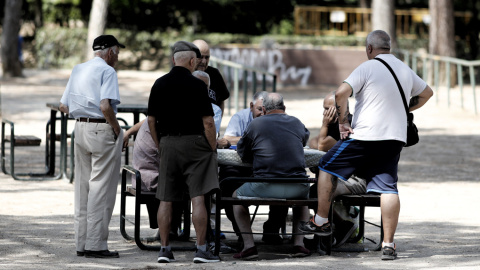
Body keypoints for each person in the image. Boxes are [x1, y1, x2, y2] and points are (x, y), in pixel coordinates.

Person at [299, 30, 434, 260]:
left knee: (326, 166)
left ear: (369, 48)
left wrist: (343, 123)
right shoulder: (404, 68)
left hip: (365, 136)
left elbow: (341, 93)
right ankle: (388, 245)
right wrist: (403, 109)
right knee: (388, 187)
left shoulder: (367, 67)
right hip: (394, 138)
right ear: (388, 47)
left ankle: (320, 221)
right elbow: (427, 93)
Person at [147, 40, 220, 263]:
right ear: (192, 61)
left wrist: (160, 143)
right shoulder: (198, 86)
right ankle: (200, 250)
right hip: (196, 144)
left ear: (172, 60)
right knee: (198, 197)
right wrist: (212, 146)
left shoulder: (159, 84)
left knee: (166, 199)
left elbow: (150, 120)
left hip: (168, 143)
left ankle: (165, 250)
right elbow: (208, 122)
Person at [59, 35, 125, 258]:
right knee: (101, 188)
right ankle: (96, 245)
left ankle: (81, 243)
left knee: (82, 187)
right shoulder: (108, 71)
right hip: (101, 129)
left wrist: (83, 113)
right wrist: (116, 128)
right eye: (117, 52)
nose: (117, 57)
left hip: (80, 128)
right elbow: (105, 105)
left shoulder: (78, 69)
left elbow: (63, 106)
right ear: (109, 52)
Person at [232, 92, 312, 260]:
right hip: (297, 186)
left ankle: (249, 246)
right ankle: (299, 244)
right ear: (284, 108)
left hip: (265, 186)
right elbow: (303, 141)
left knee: (235, 198)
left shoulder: (256, 124)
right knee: (303, 200)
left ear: (264, 109)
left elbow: (243, 153)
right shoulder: (297, 122)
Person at [219, 91, 289, 245]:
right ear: (251, 106)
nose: (263, 113)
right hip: (241, 168)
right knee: (227, 184)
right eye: (259, 109)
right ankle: (242, 233)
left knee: (285, 181)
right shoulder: (242, 117)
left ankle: (272, 230)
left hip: (268, 168)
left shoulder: (274, 120)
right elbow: (228, 139)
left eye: (266, 109)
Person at [307, 92, 367, 248]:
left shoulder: (350, 125)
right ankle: (331, 231)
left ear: (340, 108)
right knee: (314, 191)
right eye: (324, 109)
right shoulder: (336, 124)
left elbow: (320, 145)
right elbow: (313, 142)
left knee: (317, 193)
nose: (325, 113)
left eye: (328, 109)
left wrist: (324, 125)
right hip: (342, 177)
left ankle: (339, 229)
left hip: (357, 179)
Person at [192, 39, 230, 115]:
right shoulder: (184, 74)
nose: (204, 61)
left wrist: (218, 122)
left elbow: (221, 101)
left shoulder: (214, 74)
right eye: (200, 57)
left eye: (207, 57)